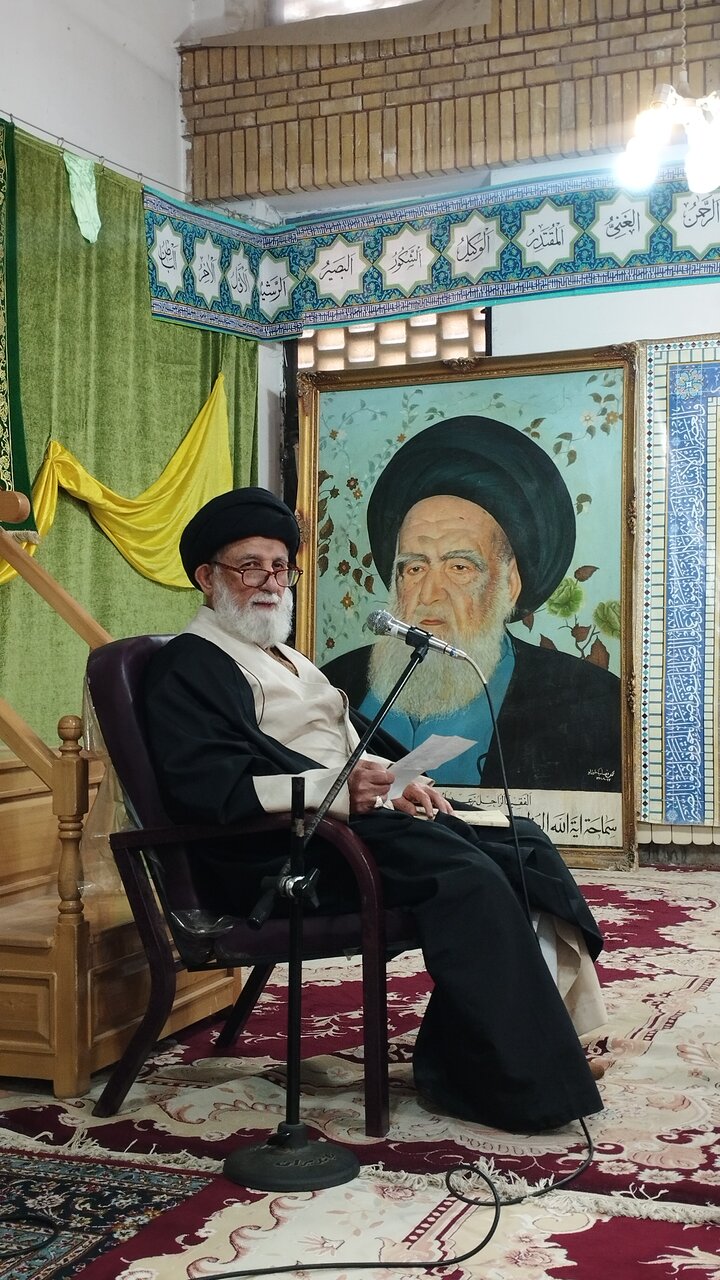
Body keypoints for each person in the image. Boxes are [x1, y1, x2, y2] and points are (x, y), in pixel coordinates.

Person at [143, 486, 607, 1135]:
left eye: (279, 567)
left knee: (520, 846)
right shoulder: (188, 666)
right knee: (466, 877)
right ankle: (506, 1081)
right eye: (249, 567)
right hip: (278, 854)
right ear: (206, 576)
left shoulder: (286, 656)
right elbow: (207, 787)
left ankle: (520, 1048)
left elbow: (349, 744)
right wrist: (343, 791)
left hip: (343, 826)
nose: (270, 582)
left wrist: (395, 783)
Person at [322, 416, 621, 792]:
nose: (429, 594)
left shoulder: (588, 702)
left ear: (509, 583)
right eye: (414, 568)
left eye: (459, 567)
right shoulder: (335, 686)